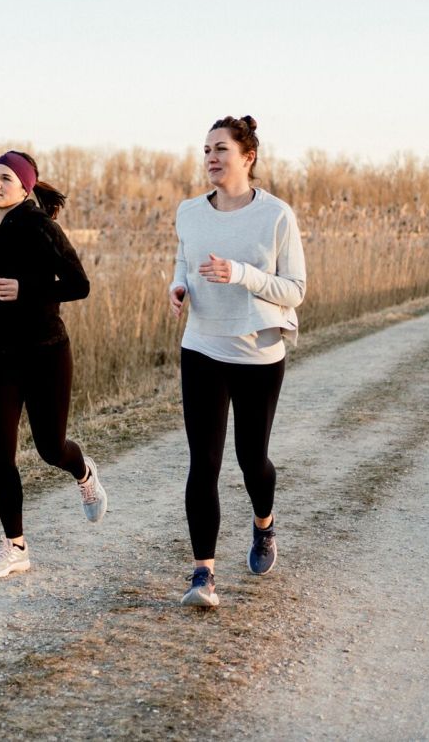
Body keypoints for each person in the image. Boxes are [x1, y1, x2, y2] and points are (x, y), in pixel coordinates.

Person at [168, 116, 306, 607]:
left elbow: (296, 290)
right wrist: (178, 287)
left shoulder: (276, 216)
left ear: (247, 156)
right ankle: (202, 574)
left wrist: (240, 273)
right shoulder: (188, 212)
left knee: (252, 461)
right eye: (206, 149)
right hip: (202, 346)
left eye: (221, 148)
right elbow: (183, 261)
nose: (211, 157)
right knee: (203, 463)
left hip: (258, 355)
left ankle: (264, 525)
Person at [0, 150, 108, 578]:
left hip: (45, 353)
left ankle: (83, 472)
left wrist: (26, 288)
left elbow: (79, 285)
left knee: (49, 447)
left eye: (6, 177)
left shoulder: (42, 227)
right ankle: (15, 547)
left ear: (25, 186)